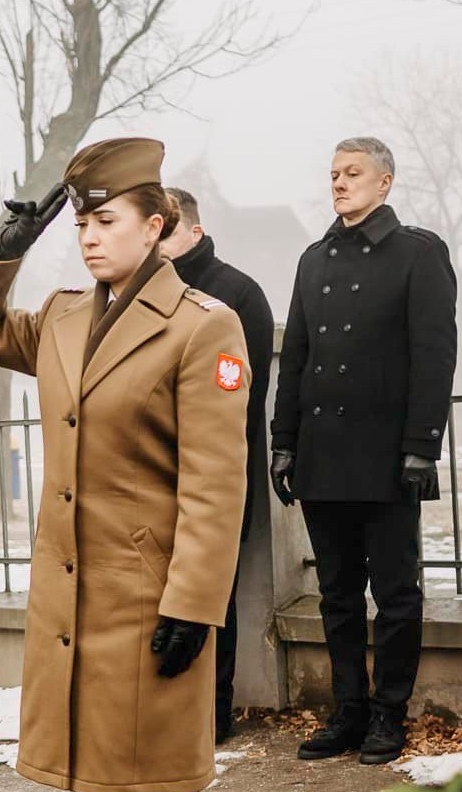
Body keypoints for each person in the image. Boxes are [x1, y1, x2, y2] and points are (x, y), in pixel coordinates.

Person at [0, 137, 250, 792]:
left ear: (155, 226)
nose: (89, 237)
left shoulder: (202, 324)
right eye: (81, 224)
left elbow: (215, 481)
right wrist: (0, 254)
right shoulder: (63, 315)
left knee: (158, 756)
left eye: (107, 221)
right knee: (96, 753)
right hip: (74, 588)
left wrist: (195, 602)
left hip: (149, 586)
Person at [271, 136, 457, 766]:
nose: (339, 183)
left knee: (396, 595)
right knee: (339, 595)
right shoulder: (313, 260)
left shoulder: (417, 254)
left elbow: (434, 357)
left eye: (352, 173)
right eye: (333, 174)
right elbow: (296, 359)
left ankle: (388, 714)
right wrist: (284, 442)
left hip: (386, 458)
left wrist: (421, 447)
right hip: (323, 457)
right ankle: (348, 712)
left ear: (384, 182)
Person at [157, 188, 276, 743]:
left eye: (168, 230)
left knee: (211, 596)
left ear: (195, 232)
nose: (157, 241)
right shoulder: (138, 292)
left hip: (215, 472)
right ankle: (166, 711)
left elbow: (241, 399)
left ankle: (212, 711)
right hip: (153, 476)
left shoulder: (236, 294)